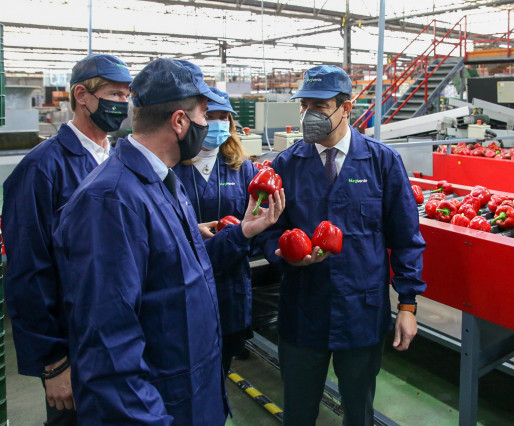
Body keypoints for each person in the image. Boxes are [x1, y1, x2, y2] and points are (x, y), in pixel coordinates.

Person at [53, 58, 284, 424]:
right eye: (205, 114)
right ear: (179, 121)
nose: (209, 125)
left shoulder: (162, 184)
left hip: (193, 393)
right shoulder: (110, 202)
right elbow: (109, 349)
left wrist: (243, 232)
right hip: (162, 405)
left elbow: (180, 271)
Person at [259, 65, 426, 425]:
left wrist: (408, 306)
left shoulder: (382, 162)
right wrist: (284, 254)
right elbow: (269, 230)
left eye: (319, 107)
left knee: (358, 411)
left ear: (346, 108)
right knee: (299, 412)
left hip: (360, 312)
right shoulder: (287, 164)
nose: (308, 116)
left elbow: (406, 239)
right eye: (304, 105)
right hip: (303, 309)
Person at [2, 53, 133, 425]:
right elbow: (28, 272)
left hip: (119, 338)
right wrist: (53, 363)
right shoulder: (43, 168)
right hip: (74, 348)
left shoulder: (119, 158)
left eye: (126, 95)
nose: (122, 103)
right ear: (82, 95)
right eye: (114, 93)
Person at [173, 87, 259, 374]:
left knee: (221, 362)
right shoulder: (171, 166)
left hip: (229, 281)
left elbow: (253, 224)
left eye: (225, 118)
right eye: (211, 116)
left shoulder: (241, 167)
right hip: (184, 277)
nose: (219, 124)